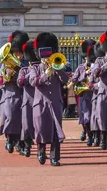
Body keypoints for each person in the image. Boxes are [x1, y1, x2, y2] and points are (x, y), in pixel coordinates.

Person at [29, 32, 69, 166]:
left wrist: (58, 69)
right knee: (41, 129)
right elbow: (34, 82)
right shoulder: (34, 68)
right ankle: (41, 152)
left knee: (55, 130)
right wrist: (46, 74)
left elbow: (66, 80)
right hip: (40, 103)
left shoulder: (58, 65)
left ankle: (55, 157)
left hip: (55, 103)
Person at [0, 31, 28, 154]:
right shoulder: (6, 63)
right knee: (10, 119)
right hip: (10, 96)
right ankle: (10, 140)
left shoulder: (27, 62)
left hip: (24, 96)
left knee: (23, 121)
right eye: (17, 52)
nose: (19, 55)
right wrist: (7, 76)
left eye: (20, 52)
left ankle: (21, 144)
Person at [73, 39, 97, 147]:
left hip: (95, 94)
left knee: (96, 116)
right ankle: (89, 135)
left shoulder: (96, 66)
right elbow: (74, 80)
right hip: (84, 94)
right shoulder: (80, 67)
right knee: (85, 117)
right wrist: (84, 74)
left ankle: (96, 135)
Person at [17, 40, 39, 158]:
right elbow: (20, 83)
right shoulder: (24, 69)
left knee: (41, 125)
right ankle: (26, 146)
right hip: (28, 99)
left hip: (40, 99)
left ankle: (41, 149)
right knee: (26, 125)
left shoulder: (42, 67)